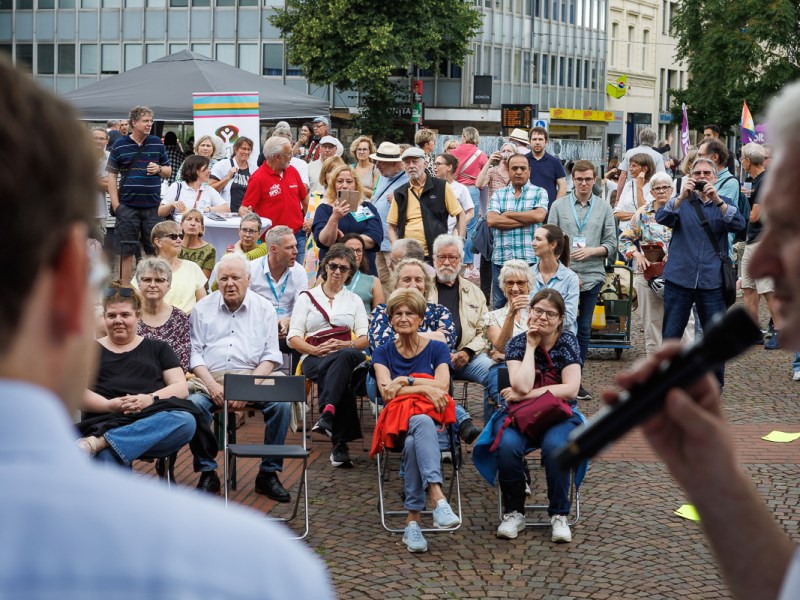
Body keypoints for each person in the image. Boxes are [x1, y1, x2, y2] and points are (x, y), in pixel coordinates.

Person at [0, 59, 333, 597]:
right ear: (71, 283)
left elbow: (241, 360)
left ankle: (262, 470)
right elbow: (195, 357)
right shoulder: (253, 573)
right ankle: (199, 466)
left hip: (239, 383)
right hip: (199, 390)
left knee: (219, 408)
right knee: (192, 409)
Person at [475, 289, 584, 544]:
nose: (542, 317)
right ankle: (514, 512)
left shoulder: (567, 342)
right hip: (522, 416)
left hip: (559, 415)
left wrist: (526, 396)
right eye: (537, 310)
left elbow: (570, 389)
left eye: (550, 314)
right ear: (529, 311)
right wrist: (530, 346)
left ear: (560, 318)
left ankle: (559, 514)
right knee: (506, 446)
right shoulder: (516, 343)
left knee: (557, 447)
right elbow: (520, 384)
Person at [189, 253, 292, 500]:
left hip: (254, 376)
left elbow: (271, 355)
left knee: (282, 405)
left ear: (248, 278)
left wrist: (247, 388)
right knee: (192, 406)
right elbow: (195, 353)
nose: (229, 283)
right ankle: (207, 472)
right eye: (223, 278)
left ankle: (268, 473)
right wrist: (212, 385)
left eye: (236, 277)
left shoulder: (264, 307)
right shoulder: (202, 308)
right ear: (216, 281)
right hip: (211, 378)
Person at [371, 288, 462, 553]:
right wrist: (424, 388)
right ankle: (437, 496)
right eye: (397, 313)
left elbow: (443, 386)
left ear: (421, 319)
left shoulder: (436, 348)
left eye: (409, 313)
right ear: (390, 320)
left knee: (416, 436)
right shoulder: (383, 352)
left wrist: (407, 380)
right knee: (419, 423)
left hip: (433, 429)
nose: (403, 318)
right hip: (395, 427)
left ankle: (413, 522)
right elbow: (387, 392)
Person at [77, 283, 204, 468]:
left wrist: (149, 399)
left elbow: (180, 387)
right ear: (104, 318)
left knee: (185, 421)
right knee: (107, 457)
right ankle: (107, 444)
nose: (118, 320)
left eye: (125, 315)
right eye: (112, 315)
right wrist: (109, 405)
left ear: (138, 316)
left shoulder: (159, 348)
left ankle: (101, 442)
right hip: (103, 420)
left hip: (149, 424)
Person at [655, 157, 746, 384]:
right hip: (679, 279)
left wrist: (717, 200)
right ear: (689, 177)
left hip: (711, 281)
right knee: (671, 337)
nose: (702, 177)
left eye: (707, 173)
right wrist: (679, 197)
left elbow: (740, 225)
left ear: (715, 178)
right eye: (697, 174)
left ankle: (715, 386)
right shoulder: (681, 202)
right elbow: (662, 217)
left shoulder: (722, 202)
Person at [288, 244, 370, 469]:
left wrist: (346, 343)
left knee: (343, 358)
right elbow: (293, 337)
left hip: (349, 353)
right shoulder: (307, 298)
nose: (337, 271)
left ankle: (328, 414)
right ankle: (339, 445)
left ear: (349, 273)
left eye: (343, 268)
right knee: (339, 374)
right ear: (325, 267)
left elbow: (365, 338)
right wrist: (314, 350)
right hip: (315, 356)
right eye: (333, 265)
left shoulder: (354, 300)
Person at [547, 160, 617, 395]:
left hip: (592, 274)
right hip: (562, 275)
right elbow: (550, 242)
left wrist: (591, 251)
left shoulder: (604, 208)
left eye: (588, 179)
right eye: (579, 179)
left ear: (594, 180)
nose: (584, 183)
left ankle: (575, 379)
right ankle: (553, 374)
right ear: (572, 180)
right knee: (557, 325)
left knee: (583, 327)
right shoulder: (558, 206)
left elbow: (611, 245)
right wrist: (566, 273)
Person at [619, 172, 690, 355]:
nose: (661, 191)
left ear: (672, 189)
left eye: (665, 187)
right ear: (651, 191)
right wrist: (636, 254)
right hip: (649, 274)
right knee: (652, 324)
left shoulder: (683, 209)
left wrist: (676, 254)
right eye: (657, 188)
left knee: (685, 323)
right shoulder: (643, 213)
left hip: (679, 274)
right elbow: (624, 239)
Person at [428, 234, 494, 414]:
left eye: (452, 257)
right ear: (434, 259)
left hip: (468, 357)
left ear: (461, 260)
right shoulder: (423, 289)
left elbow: (485, 332)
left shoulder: (474, 292)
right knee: (438, 381)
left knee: (495, 373)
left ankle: (492, 433)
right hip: (431, 359)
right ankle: (450, 429)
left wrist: (468, 352)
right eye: (442, 257)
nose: (447, 262)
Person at [106, 105, 172, 282]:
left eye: (151, 121)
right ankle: (125, 291)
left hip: (152, 208)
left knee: (154, 251)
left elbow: (168, 171)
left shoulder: (157, 142)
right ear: (134, 123)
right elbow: (111, 176)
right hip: (127, 207)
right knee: (125, 252)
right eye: (145, 121)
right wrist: (116, 206)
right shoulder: (120, 144)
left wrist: (159, 168)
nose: (149, 124)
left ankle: (151, 290)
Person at [486, 154, 548, 309]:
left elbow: (539, 216)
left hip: (530, 261)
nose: (519, 172)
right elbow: (492, 220)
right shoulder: (499, 194)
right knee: (499, 308)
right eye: (514, 168)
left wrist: (508, 214)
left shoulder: (540, 192)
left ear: (529, 171)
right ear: (508, 170)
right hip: (501, 260)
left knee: (530, 307)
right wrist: (527, 218)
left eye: (523, 168)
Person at [241, 137, 310, 267]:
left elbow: (305, 199)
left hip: (297, 236)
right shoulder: (258, 178)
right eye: (288, 153)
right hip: (273, 241)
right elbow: (246, 208)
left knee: (297, 276)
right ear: (277, 157)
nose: (291, 156)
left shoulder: (292, 171)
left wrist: (309, 219)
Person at [387, 147, 465, 259]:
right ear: (404, 166)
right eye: (407, 163)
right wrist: (396, 249)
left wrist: (459, 242)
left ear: (425, 164)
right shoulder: (400, 192)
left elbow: (460, 214)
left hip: (436, 253)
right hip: (408, 255)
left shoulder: (441, 186)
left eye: (415, 161)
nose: (411, 166)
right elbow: (391, 227)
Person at [247, 225, 308, 366]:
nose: (296, 251)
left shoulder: (299, 272)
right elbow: (244, 306)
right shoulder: (251, 269)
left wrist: (288, 321)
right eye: (289, 248)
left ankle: (295, 384)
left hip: (288, 329)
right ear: (273, 249)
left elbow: (302, 308)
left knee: (300, 339)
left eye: (295, 246)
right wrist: (268, 324)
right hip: (257, 327)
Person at [739, 142, 780, 348]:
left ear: (747, 161)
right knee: (748, 288)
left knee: (767, 289)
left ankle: (780, 331)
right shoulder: (750, 181)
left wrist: (737, 214)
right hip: (751, 240)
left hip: (762, 240)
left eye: (741, 158)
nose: (740, 161)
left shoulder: (765, 181)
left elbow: (755, 216)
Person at [483, 260, 535, 422]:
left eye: (520, 283)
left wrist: (505, 354)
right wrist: (511, 314)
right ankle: (499, 434)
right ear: (503, 286)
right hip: (502, 368)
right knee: (505, 398)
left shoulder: (538, 314)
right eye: (509, 283)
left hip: (534, 368)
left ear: (529, 285)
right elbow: (502, 346)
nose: (514, 288)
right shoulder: (493, 316)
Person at [312, 164, 383, 275]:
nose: (344, 186)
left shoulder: (366, 208)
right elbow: (324, 241)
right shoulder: (324, 209)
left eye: (349, 182)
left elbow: (374, 237)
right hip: (333, 270)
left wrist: (343, 240)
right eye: (340, 181)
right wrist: (334, 218)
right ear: (334, 184)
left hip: (363, 271)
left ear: (356, 185)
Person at [133, 221, 207, 315]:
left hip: (189, 323)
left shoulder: (193, 267)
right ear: (158, 242)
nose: (179, 240)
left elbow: (203, 304)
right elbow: (138, 304)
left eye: (181, 236)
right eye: (173, 237)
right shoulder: (146, 269)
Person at [135, 258, 192, 373]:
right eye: (147, 279)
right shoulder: (129, 316)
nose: (152, 285)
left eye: (159, 280)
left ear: (169, 285)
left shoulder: (179, 318)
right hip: (134, 379)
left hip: (170, 383)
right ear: (139, 284)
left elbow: (183, 362)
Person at [369, 142, 409, 288]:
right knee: (383, 282)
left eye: (381, 162)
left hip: (394, 242)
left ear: (393, 163)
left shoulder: (410, 180)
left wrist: (402, 197)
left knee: (398, 281)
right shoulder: (383, 176)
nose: (377, 165)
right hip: (378, 239)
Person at [450, 127, 488, 274]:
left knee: (451, 225)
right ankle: (469, 264)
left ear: (464, 137)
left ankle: (453, 259)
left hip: (455, 188)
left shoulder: (453, 152)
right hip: (472, 189)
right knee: (471, 227)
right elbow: (485, 172)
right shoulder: (480, 154)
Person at [530, 224, 579, 335]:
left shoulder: (570, 278)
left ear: (552, 245)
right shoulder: (528, 274)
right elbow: (523, 310)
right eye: (534, 238)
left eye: (538, 239)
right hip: (531, 333)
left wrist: (543, 327)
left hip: (561, 337)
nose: (533, 243)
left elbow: (570, 316)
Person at [159, 155, 228, 219]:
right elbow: (160, 212)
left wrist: (207, 209)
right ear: (196, 170)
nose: (209, 171)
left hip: (202, 229)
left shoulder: (209, 189)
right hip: (179, 230)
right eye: (206, 168)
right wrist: (172, 204)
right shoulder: (177, 186)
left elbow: (226, 208)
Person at [210, 136, 257, 213]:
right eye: (243, 148)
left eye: (249, 149)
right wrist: (228, 178)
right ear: (235, 149)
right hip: (227, 214)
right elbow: (211, 189)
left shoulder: (255, 169)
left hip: (247, 215)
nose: (246, 152)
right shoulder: (222, 165)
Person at [341, 233, 384, 314]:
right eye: (350, 250)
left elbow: (379, 316)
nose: (355, 255)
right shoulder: (326, 278)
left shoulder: (373, 281)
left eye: (358, 250)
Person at [433, 152, 475, 237]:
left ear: (449, 167)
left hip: (450, 236)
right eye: (434, 164)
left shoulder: (461, 189)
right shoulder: (430, 187)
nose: (434, 167)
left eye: (438, 164)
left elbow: (470, 213)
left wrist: (457, 227)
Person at [525, 126, 567, 210]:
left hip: (549, 209)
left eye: (540, 139)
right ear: (529, 141)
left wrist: (555, 206)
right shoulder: (523, 160)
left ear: (546, 142)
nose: (537, 142)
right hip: (526, 208)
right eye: (534, 139)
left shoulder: (555, 162)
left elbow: (562, 186)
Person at [613, 153, 656, 232]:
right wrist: (637, 215)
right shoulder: (629, 185)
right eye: (630, 165)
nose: (630, 168)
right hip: (624, 231)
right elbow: (617, 212)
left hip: (643, 233)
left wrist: (639, 187)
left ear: (645, 169)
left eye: (634, 166)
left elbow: (644, 210)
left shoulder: (654, 187)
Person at [616, 127, 667, 194]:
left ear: (640, 139)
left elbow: (623, 176)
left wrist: (618, 197)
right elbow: (661, 177)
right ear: (654, 141)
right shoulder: (657, 155)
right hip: (649, 192)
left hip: (630, 191)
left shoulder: (629, 153)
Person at [179, 208, 216, 281]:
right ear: (181, 225)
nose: (193, 223)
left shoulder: (209, 249)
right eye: (189, 219)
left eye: (197, 220)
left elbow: (203, 280)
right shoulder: (174, 245)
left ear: (201, 228)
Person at [91, 127, 110, 245]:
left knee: (98, 247)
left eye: (101, 138)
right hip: (79, 213)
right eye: (95, 138)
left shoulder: (110, 157)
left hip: (99, 213)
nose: (98, 141)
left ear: (107, 141)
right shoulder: (79, 155)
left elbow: (110, 185)